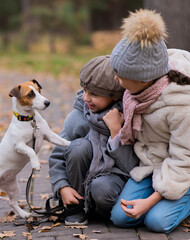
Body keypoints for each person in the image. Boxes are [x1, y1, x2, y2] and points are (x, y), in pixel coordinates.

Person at [106, 9, 190, 233]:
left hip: (187, 168)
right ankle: (164, 198)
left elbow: (187, 159)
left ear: (143, 78)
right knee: (121, 218)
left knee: (156, 222)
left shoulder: (185, 107)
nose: (115, 78)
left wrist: (151, 201)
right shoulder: (138, 92)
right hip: (153, 164)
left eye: (120, 74)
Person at [48, 55, 139, 226]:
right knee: (78, 147)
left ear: (114, 96)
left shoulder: (129, 118)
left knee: (101, 188)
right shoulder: (79, 117)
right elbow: (57, 156)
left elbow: (132, 167)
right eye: (84, 90)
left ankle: (102, 211)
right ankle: (76, 207)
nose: (86, 98)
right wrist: (62, 187)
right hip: (81, 180)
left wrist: (115, 132)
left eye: (94, 94)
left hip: (113, 181)